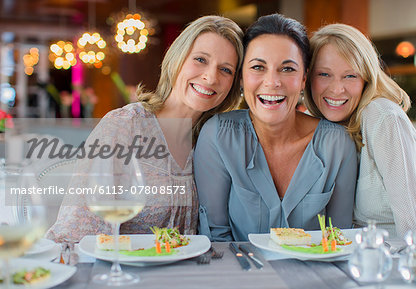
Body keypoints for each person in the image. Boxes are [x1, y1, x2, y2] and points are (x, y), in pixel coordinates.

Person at [45, 15, 244, 243]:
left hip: (187, 273)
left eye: (226, 70)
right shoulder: (124, 126)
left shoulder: (212, 140)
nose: (210, 77)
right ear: (176, 59)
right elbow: (77, 231)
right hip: (121, 271)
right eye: (200, 59)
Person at [194, 14, 358, 242]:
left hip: (314, 275)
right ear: (241, 77)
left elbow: (340, 238)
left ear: (304, 79)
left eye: (288, 69)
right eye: (258, 67)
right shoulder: (218, 136)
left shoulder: (336, 145)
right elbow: (216, 238)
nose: (272, 82)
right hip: (240, 274)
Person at [303, 23, 416, 237]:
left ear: (367, 79)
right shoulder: (321, 128)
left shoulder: (382, 116)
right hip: (372, 255)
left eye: (350, 76)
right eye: (324, 74)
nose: (336, 89)